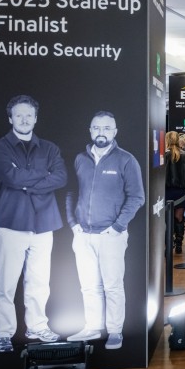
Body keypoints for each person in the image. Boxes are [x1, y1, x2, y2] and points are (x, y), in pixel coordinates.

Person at [0, 95, 67, 353]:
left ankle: (37, 327)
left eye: (29, 115)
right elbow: (10, 177)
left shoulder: (50, 148)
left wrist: (25, 182)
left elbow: (60, 177)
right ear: (10, 118)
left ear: (35, 118)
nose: (24, 120)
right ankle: (4, 333)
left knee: (39, 282)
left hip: (44, 224)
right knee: (6, 285)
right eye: (19, 115)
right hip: (11, 223)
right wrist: (42, 177)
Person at [66, 111, 145, 350]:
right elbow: (71, 191)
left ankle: (115, 331)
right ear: (90, 131)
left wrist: (117, 227)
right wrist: (73, 223)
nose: (101, 132)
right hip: (83, 235)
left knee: (112, 286)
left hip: (111, 235)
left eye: (107, 128)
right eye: (97, 128)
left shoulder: (126, 160)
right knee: (88, 286)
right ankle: (92, 327)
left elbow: (137, 197)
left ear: (115, 131)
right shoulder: (80, 159)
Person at [164, 131, 185, 255]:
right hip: (182, 192)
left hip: (167, 191)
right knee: (179, 217)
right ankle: (179, 244)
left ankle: (169, 243)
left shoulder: (163, 156)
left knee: (167, 219)